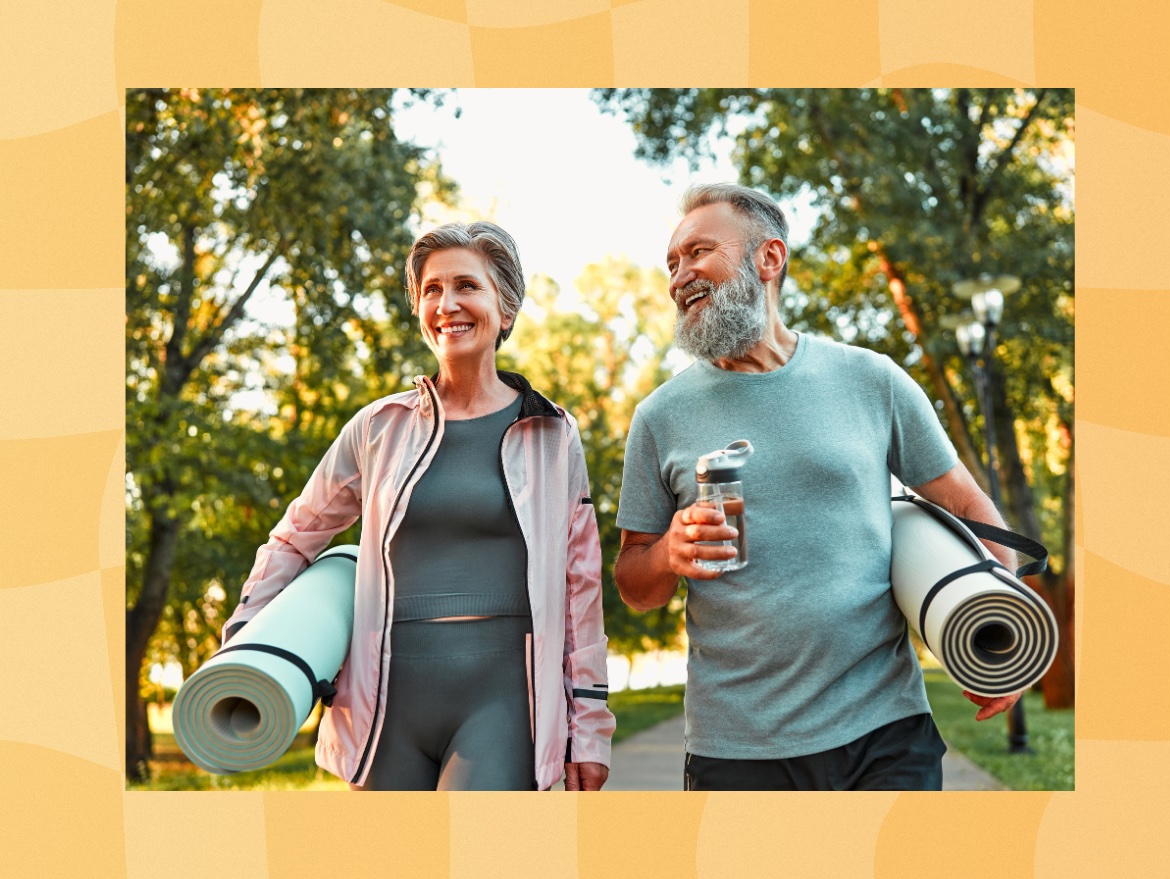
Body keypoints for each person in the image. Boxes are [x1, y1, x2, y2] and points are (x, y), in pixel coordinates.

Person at [614, 183, 1022, 791]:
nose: (679, 277)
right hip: (738, 744)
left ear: (769, 258)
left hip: (886, 728)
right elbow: (633, 584)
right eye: (672, 264)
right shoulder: (659, 417)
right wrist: (669, 552)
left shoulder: (870, 378)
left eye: (698, 252)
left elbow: (967, 506)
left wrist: (1001, 633)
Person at [222, 221, 614, 791]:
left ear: (505, 309)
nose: (446, 303)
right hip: (385, 706)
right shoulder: (378, 428)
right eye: (431, 289)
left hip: (503, 703)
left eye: (466, 286)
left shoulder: (552, 435)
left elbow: (581, 588)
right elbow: (296, 535)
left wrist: (591, 726)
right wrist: (245, 640)